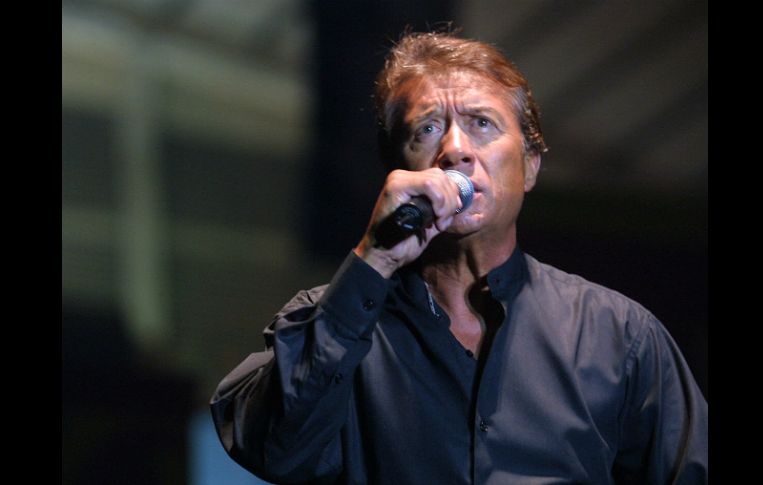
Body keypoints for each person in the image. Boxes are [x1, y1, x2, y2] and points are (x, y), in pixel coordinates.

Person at [211, 30, 708, 484]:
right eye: (426, 129)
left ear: (530, 166)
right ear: (396, 171)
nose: (454, 149)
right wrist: (374, 258)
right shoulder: (329, 322)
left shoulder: (618, 335)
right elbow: (274, 449)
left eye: (481, 123)